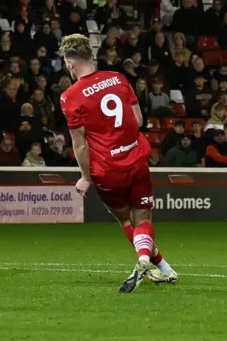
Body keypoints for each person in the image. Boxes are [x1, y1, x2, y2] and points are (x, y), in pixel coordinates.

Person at [58, 34, 178, 293]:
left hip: (108, 170)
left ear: (69, 63)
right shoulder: (119, 78)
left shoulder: (70, 97)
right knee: (143, 218)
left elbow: (79, 145)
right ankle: (162, 267)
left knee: (126, 221)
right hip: (136, 160)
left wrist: (85, 177)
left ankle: (147, 261)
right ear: (91, 56)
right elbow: (138, 119)